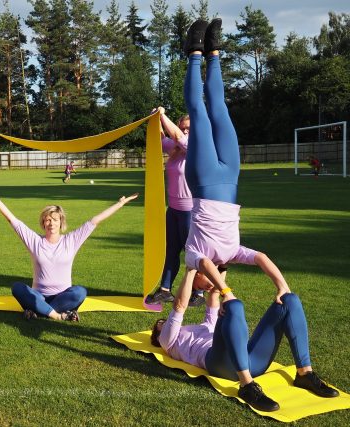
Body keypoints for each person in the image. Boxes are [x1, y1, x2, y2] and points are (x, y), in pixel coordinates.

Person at [179, 18, 291, 309]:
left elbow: (205, 263)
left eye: (201, 287)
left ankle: (193, 51)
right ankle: (214, 51)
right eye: (205, 288)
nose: (205, 287)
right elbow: (263, 258)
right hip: (230, 177)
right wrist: (283, 286)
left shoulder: (192, 258)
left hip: (203, 181)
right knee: (220, 110)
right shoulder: (233, 253)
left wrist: (225, 291)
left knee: (199, 114)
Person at [150, 268, 339, 412]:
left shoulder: (204, 326)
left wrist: (222, 262)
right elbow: (180, 305)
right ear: (158, 335)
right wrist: (191, 269)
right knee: (234, 305)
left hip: (250, 361)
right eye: (159, 323)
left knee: (289, 300)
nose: (163, 321)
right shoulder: (168, 340)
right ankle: (247, 387)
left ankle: (304, 373)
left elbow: (216, 293)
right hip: (220, 364)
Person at [0, 179, 139, 321]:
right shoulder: (34, 240)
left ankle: (39, 311)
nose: (51, 223)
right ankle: (56, 314)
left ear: (61, 222)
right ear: (43, 223)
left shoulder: (71, 240)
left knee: (80, 292)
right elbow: (12, 219)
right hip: (39, 297)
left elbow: (95, 220)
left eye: (55, 220)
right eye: (47, 220)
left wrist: (120, 204)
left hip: (63, 297)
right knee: (18, 288)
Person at [144, 108, 204, 307]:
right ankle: (165, 290)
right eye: (182, 128)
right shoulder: (174, 148)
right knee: (171, 250)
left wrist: (162, 114)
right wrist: (156, 120)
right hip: (174, 209)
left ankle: (200, 291)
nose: (185, 131)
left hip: (191, 210)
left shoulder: (196, 147)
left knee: (193, 252)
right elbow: (162, 139)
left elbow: (177, 136)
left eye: (188, 129)